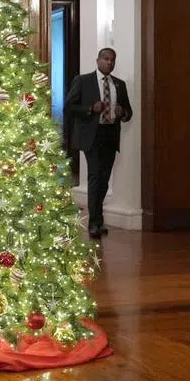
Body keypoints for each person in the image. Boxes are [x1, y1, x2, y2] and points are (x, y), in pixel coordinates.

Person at [64, 47, 133, 239]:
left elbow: (128, 112)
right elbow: (69, 106)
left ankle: (98, 219)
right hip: (91, 136)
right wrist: (90, 109)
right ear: (98, 60)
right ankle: (94, 222)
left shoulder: (120, 85)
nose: (109, 63)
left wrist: (123, 113)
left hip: (110, 135)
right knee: (95, 177)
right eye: (106, 59)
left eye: (112, 60)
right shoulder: (83, 80)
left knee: (104, 179)